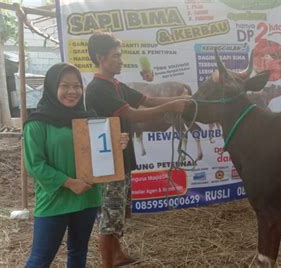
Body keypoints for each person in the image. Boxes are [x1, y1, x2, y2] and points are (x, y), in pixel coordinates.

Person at [85, 32, 191, 268]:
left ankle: (118, 254)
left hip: (121, 156)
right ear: (101, 58)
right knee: (109, 218)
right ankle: (107, 264)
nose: (121, 61)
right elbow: (131, 114)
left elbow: (146, 100)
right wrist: (172, 106)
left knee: (118, 211)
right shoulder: (98, 89)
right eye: (116, 56)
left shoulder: (114, 85)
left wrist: (178, 100)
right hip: (108, 162)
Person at [24, 63, 130, 267]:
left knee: (78, 253)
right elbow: (35, 165)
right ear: (52, 87)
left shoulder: (89, 119)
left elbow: (101, 151)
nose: (72, 92)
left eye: (77, 86)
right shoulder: (37, 123)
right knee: (40, 259)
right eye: (65, 86)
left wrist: (117, 144)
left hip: (87, 198)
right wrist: (69, 182)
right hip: (55, 200)